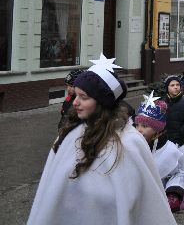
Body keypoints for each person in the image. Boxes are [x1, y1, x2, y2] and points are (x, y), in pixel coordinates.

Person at [28, 54, 175, 224]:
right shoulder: (69, 135)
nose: (75, 103)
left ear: (102, 102)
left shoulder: (128, 141)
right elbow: (50, 193)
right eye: (76, 95)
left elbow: (148, 202)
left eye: (84, 97)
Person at [134, 93, 184, 211]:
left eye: (145, 126)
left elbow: (178, 174)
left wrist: (173, 192)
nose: (139, 130)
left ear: (158, 129)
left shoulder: (169, 150)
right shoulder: (132, 146)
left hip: (157, 204)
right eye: (137, 125)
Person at [162, 74, 184, 145]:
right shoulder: (162, 103)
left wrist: (183, 132)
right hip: (165, 140)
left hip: (181, 140)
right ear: (167, 88)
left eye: (177, 85)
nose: (175, 87)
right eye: (172, 85)